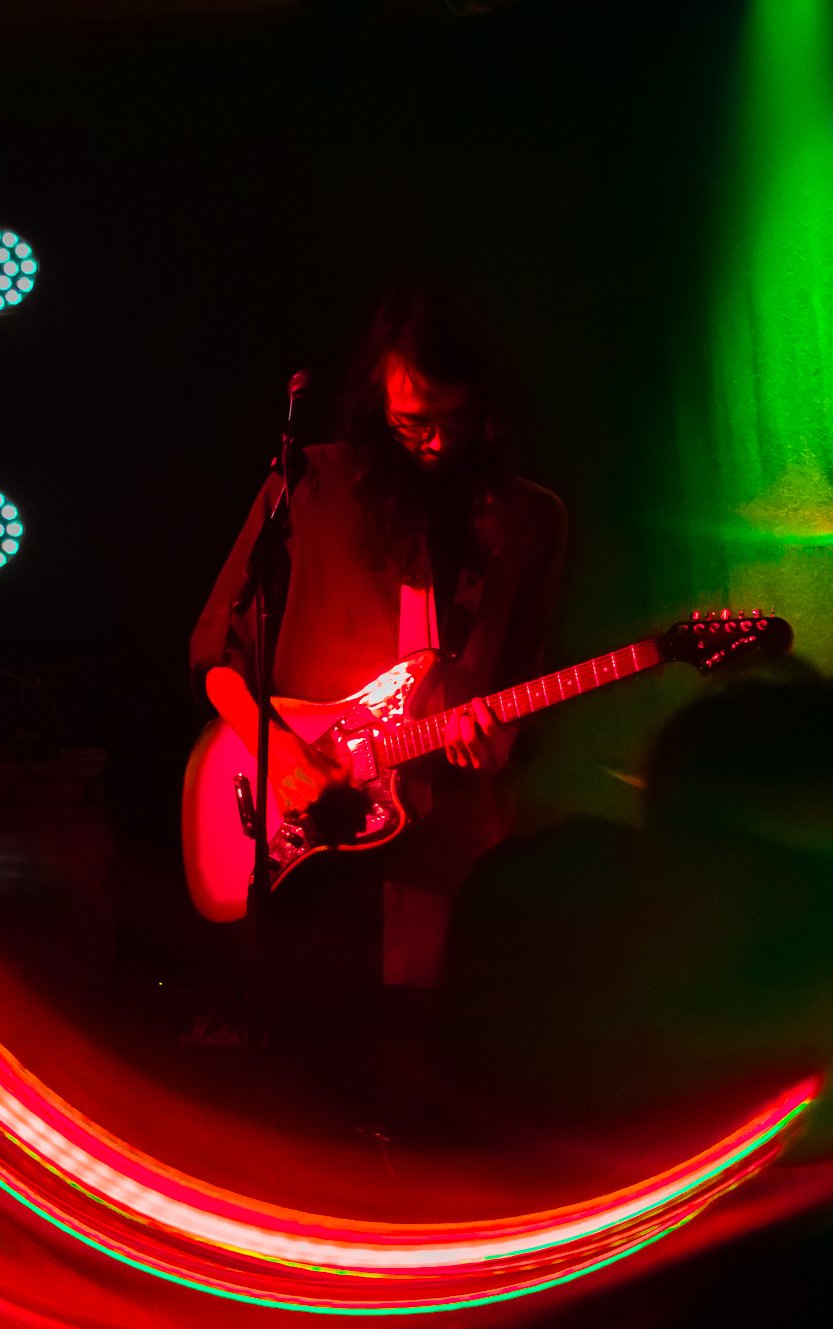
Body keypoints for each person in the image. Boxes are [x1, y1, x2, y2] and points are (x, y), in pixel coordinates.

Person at [189, 283, 566, 1103]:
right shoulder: (308, 485)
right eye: (412, 423)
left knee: (423, 1072)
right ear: (376, 401)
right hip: (310, 834)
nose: (436, 443)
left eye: (455, 421)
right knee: (305, 1076)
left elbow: (523, 684)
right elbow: (218, 652)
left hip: (441, 841)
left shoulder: (530, 520)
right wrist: (284, 754)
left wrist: (495, 742)